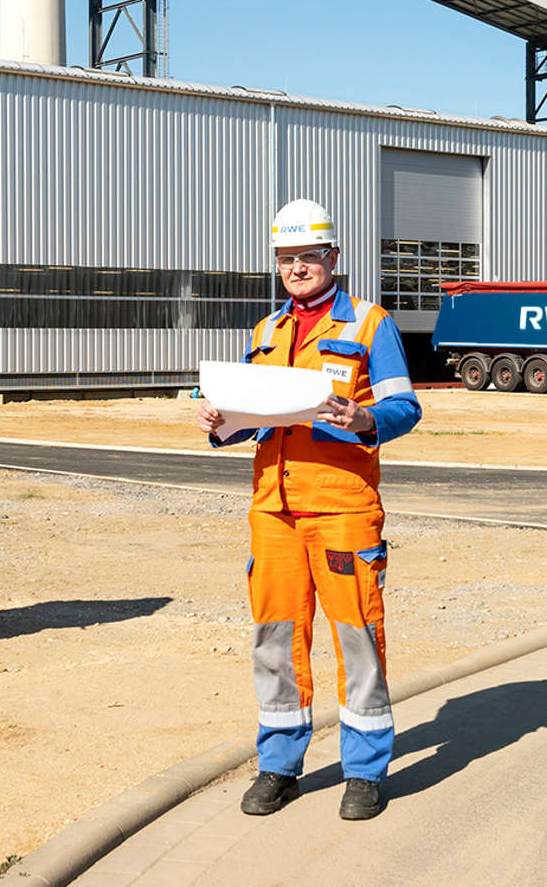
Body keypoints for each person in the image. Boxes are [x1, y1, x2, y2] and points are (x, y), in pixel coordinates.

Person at [196, 198, 422, 821]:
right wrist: (219, 422)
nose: (297, 268)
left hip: (342, 507)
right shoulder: (266, 331)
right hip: (273, 506)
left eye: (308, 257)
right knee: (275, 637)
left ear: (333, 258)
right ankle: (279, 765)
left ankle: (365, 771)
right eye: (286, 259)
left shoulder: (371, 325)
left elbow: (406, 409)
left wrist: (365, 417)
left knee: (357, 637)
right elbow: (249, 417)